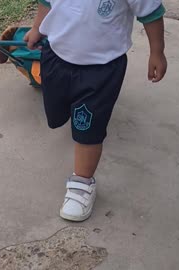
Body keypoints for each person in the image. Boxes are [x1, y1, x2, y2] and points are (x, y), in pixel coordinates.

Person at [24, 0, 168, 221]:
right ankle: (76, 115)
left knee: (87, 129)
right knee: (57, 112)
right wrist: (36, 28)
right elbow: (47, 2)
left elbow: (151, 13)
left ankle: (82, 184)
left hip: (101, 68)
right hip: (55, 56)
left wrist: (157, 52)